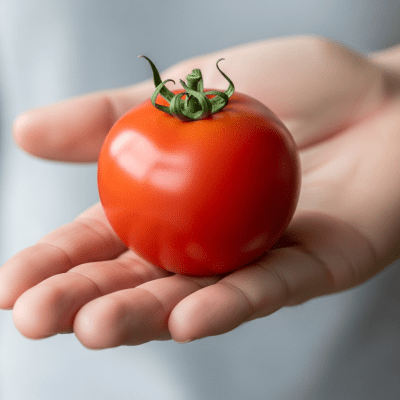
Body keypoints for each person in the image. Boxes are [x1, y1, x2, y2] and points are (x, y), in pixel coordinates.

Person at [0, 2, 399, 399]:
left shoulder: (247, 131)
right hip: (58, 371)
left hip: (353, 357)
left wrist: (393, 89)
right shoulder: (247, 130)